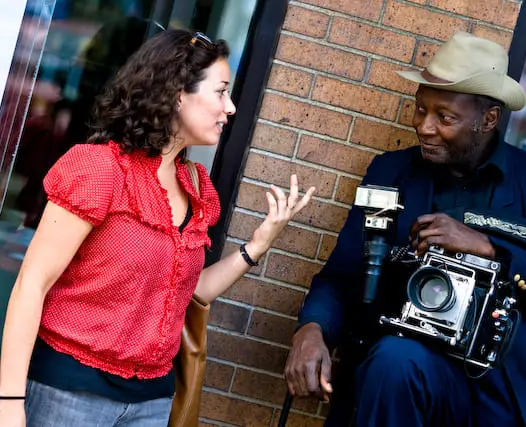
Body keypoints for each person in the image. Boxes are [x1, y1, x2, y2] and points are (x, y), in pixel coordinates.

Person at [284, 32, 526, 427]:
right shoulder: (392, 173)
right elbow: (343, 274)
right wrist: (312, 328)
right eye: (420, 110)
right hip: (412, 376)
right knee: (395, 361)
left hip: (510, 395)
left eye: (445, 118)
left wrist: (492, 249)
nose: (425, 127)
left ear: (488, 119)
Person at [0, 29, 315, 427]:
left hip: (151, 403)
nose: (230, 107)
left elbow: (189, 292)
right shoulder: (100, 169)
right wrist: (9, 401)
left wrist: (258, 244)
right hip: (69, 394)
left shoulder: (197, 185)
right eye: (220, 92)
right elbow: (33, 283)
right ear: (178, 94)